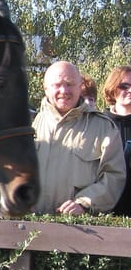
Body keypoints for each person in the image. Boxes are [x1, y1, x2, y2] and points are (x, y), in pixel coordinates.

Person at [32, 61, 126, 215]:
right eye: (57, 85)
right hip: (30, 226)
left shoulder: (103, 128)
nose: (64, 90)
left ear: (79, 86)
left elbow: (114, 176)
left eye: (70, 84)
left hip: (80, 230)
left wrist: (84, 203)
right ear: (46, 88)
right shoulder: (30, 124)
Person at [102, 65, 131, 215]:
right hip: (105, 210)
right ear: (113, 88)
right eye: (124, 86)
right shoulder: (100, 124)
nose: (130, 91)